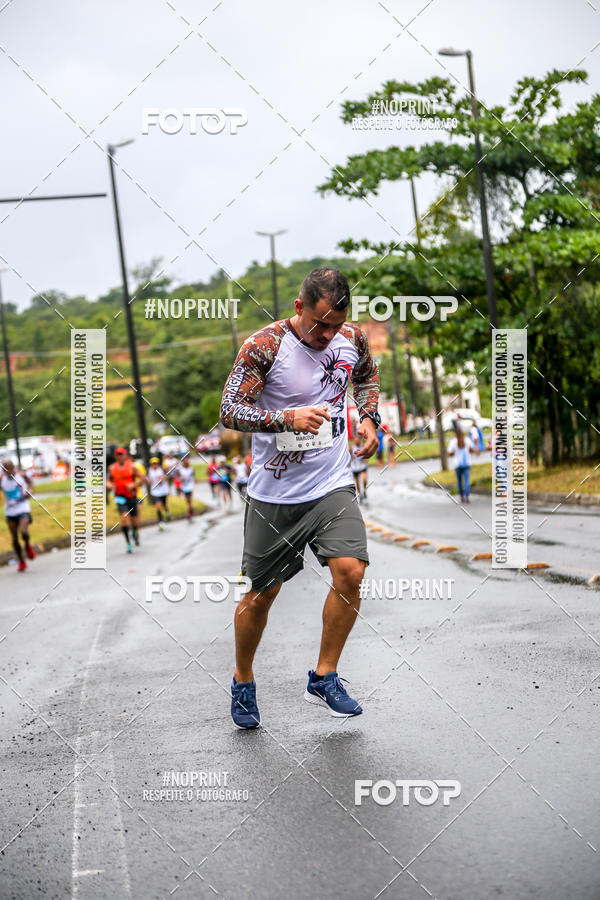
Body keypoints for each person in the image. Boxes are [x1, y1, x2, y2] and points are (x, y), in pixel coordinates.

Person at [220, 266, 380, 728]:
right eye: (319, 324)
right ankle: (244, 680)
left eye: (336, 325)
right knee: (261, 595)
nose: (329, 335)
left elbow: (366, 377)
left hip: (331, 482)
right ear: (298, 307)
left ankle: (324, 676)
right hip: (274, 492)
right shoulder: (264, 346)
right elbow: (230, 411)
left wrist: (369, 417)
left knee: (351, 571)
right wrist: (285, 418)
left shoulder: (353, 338)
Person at [106, 447, 143, 552]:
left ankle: (135, 533)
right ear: (115, 456)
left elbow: (142, 478)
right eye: (118, 454)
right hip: (120, 497)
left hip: (131, 496)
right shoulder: (112, 468)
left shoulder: (132, 467)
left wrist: (133, 484)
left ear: (125, 455)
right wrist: (109, 485)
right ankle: (128, 544)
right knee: (124, 518)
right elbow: (108, 480)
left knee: (135, 521)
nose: (120, 456)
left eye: (121, 454)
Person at [1, 460, 35, 572]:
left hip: (23, 508)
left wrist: (29, 492)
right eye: (6, 469)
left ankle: (27, 545)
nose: (9, 471)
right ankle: (21, 561)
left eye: (11, 468)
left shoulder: (21, 476)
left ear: (14, 467)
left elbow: (31, 484)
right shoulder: (2, 479)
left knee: (24, 532)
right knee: (14, 538)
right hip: (10, 511)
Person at [447, 429, 478, 503]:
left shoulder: (453, 442)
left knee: (459, 481)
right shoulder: (467, 440)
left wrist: (454, 454)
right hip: (467, 463)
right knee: (467, 480)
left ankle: (461, 496)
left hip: (457, 464)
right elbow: (472, 449)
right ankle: (467, 495)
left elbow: (449, 453)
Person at [146, 457, 170, 529]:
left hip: (163, 490)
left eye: (156, 463)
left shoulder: (161, 470)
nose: (154, 465)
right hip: (155, 492)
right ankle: (161, 522)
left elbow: (167, 476)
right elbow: (148, 480)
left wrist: (162, 479)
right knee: (158, 507)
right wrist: (149, 481)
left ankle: (167, 511)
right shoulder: (149, 471)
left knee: (164, 505)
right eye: (153, 464)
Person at [350, 435, 368, 502]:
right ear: (354, 440)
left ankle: (365, 491)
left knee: (364, 480)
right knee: (357, 482)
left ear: (360, 440)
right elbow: (349, 457)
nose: (357, 440)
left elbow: (366, 456)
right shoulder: (352, 448)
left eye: (358, 439)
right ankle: (360, 494)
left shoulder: (363, 447)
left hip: (362, 466)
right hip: (355, 467)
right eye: (356, 439)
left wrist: (365, 459)